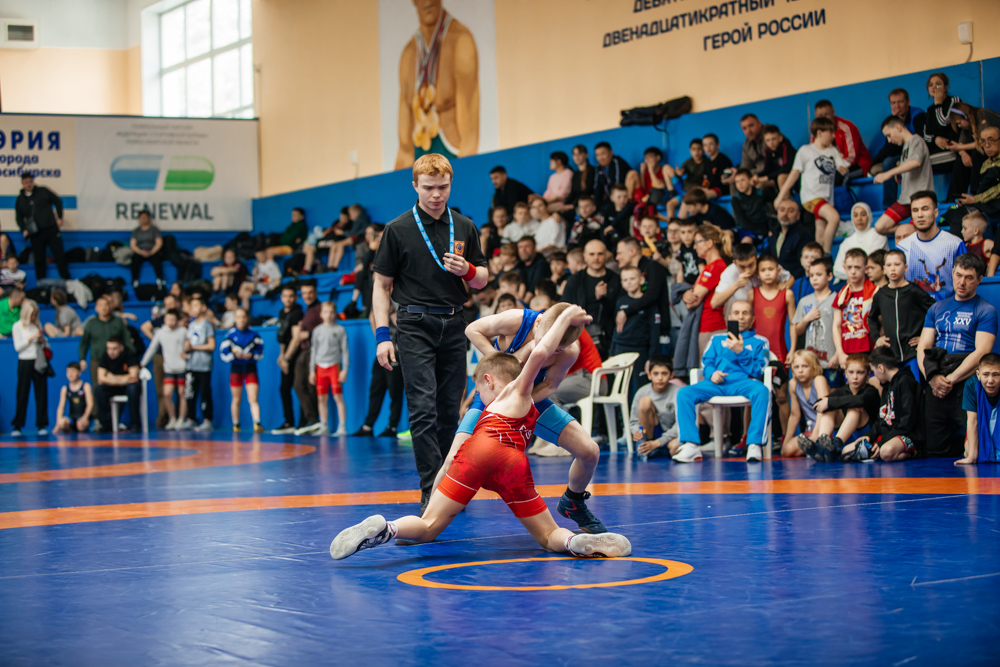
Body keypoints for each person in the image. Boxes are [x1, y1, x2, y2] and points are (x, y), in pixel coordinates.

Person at [329, 305, 631, 561]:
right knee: (549, 534)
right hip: (512, 463)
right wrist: (562, 320)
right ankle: (572, 542)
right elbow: (538, 354)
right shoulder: (523, 395)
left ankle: (390, 528)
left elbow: (539, 354)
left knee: (429, 526)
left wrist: (562, 322)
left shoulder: (505, 395)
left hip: (477, 453)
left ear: (489, 381)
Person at [372, 153, 488, 511]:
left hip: (454, 322)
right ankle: (431, 488)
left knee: (449, 410)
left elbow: (482, 280)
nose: (436, 195)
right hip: (413, 324)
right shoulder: (398, 229)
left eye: (442, 187)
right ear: (415, 186)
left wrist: (467, 269)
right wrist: (381, 335)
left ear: (451, 184)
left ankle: (448, 482)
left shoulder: (465, 226)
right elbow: (381, 285)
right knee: (422, 409)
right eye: (428, 188)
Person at [454, 303, 607, 531]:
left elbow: (550, 385)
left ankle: (573, 501)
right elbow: (472, 330)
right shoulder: (518, 320)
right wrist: (498, 362)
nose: (551, 351)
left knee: (590, 451)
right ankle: (430, 516)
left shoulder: (570, 351)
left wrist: (520, 402)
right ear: (538, 323)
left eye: (558, 349)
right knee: (452, 459)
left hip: (531, 399)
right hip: (490, 399)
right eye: (549, 343)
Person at [917, 253, 998, 458]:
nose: (962, 282)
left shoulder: (986, 310)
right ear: (952, 273)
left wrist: (950, 380)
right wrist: (933, 379)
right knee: (934, 449)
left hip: (964, 380)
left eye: (969, 277)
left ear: (980, 280)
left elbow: (982, 352)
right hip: (937, 376)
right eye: (959, 275)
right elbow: (923, 346)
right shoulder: (936, 308)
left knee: (974, 449)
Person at [674, 300, 771, 463]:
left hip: (743, 384)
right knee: (684, 393)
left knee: (762, 391)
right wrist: (712, 374)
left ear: (753, 318)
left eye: (745, 313)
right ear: (730, 317)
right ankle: (691, 445)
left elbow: (758, 370)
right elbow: (707, 362)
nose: (740, 317)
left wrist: (740, 351)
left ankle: (754, 445)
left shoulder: (760, 341)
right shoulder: (716, 339)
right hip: (716, 384)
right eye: (736, 313)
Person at [394, 0, 478, 169]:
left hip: (452, 157)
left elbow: (470, 139)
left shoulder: (460, 42)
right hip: (420, 165)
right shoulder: (408, 55)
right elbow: (404, 150)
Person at [775, 116, 850, 254]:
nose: (833, 136)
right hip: (811, 197)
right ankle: (826, 255)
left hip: (826, 198)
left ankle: (817, 258)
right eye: (831, 132)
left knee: (820, 233)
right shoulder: (806, 150)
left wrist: (843, 168)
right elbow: (794, 174)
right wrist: (780, 196)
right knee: (834, 218)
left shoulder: (832, 150)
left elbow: (842, 166)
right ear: (820, 133)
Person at [840, 347, 922, 462]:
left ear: (881, 368)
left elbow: (907, 422)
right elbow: (881, 419)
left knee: (886, 452)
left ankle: (914, 453)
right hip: (888, 437)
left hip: (907, 435)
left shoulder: (905, 382)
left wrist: (881, 442)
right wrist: (869, 436)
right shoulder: (886, 387)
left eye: (874, 371)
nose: (875, 376)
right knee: (846, 451)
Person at [868, 249, 936, 381]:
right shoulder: (881, 294)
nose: (892, 269)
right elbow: (871, 318)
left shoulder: (914, 291)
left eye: (897, 264)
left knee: (914, 387)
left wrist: (924, 337)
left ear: (905, 267)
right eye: (889, 265)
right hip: (891, 356)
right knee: (895, 390)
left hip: (912, 354)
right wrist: (876, 338)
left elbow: (935, 311)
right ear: (884, 269)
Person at [799, 353, 880, 462]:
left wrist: (831, 402)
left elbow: (860, 400)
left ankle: (835, 444)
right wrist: (829, 403)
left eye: (860, 373)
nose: (855, 377)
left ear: (868, 374)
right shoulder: (842, 391)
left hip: (864, 438)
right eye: (851, 372)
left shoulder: (871, 391)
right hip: (846, 440)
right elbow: (819, 404)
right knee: (829, 408)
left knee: (854, 409)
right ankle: (822, 445)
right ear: (845, 374)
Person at [895, 191, 966, 301]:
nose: (920, 215)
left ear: (936, 212)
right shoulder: (902, 247)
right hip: (913, 312)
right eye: (915, 210)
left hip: (946, 311)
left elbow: (965, 282)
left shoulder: (954, 244)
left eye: (925, 209)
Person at [872, 116, 935, 235]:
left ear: (898, 127)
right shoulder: (905, 147)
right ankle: (913, 230)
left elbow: (915, 162)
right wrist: (900, 170)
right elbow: (909, 163)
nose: (889, 140)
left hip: (920, 199)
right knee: (880, 226)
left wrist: (890, 173)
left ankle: (913, 230)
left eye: (889, 135)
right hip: (906, 199)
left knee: (909, 235)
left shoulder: (916, 140)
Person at [561, 239, 619, 357]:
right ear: (585, 256)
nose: (596, 258)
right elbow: (564, 308)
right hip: (579, 337)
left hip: (608, 339)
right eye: (592, 254)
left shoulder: (615, 279)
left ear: (605, 255)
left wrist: (602, 298)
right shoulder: (575, 280)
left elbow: (617, 311)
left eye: (600, 254)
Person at [871, 88, 927, 209]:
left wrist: (895, 169)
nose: (897, 106)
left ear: (908, 102)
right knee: (888, 161)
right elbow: (889, 150)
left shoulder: (918, 115)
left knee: (888, 164)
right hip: (903, 155)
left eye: (900, 102)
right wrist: (895, 120)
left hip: (919, 154)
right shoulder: (890, 122)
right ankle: (889, 206)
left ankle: (892, 205)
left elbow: (921, 140)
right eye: (893, 103)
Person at [611, 266, 660, 398]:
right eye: (625, 279)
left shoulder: (649, 303)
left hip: (640, 352)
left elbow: (655, 333)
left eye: (632, 278)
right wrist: (612, 353)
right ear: (621, 283)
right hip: (620, 350)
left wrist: (651, 358)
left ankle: (639, 419)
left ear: (641, 280)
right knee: (621, 390)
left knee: (641, 389)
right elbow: (616, 330)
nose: (629, 282)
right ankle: (623, 419)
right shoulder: (621, 302)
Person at [614, 236, 671, 344]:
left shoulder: (653, 267)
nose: (617, 257)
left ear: (632, 251)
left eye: (620, 253)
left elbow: (652, 295)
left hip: (657, 332)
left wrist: (626, 311)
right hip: (636, 332)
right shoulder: (627, 273)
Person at [685, 224, 731, 355]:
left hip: (712, 328)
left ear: (709, 243)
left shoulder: (715, 267)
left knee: (706, 372)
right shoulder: (710, 266)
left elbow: (692, 302)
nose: (694, 247)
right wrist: (685, 295)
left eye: (697, 242)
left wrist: (687, 297)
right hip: (708, 327)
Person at [14, 173, 70, 280]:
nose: (29, 184)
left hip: (51, 229)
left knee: (60, 256)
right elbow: (19, 217)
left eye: (30, 182)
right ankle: (40, 284)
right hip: (35, 233)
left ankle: (67, 280)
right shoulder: (20, 199)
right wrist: (23, 229)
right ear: (22, 183)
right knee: (39, 260)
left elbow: (58, 201)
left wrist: (60, 217)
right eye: (26, 182)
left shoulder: (43, 191)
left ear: (33, 181)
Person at [947, 124, 1000, 238]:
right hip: (987, 205)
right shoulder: (985, 164)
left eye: (991, 140)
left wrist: (975, 199)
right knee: (958, 218)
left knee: (981, 223)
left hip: (996, 207)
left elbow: (997, 189)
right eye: (983, 141)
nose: (987, 145)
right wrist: (969, 200)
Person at [139, 308, 188, 430]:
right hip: (169, 368)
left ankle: (181, 419)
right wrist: (143, 363)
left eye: (173, 319)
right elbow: (152, 348)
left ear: (177, 320)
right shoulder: (160, 333)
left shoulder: (183, 331)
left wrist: (188, 355)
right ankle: (172, 418)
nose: (171, 322)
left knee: (182, 393)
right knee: (167, 393)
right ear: (164, 320)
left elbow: (190, 346)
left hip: (182, 367)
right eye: (168, 319)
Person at [218, 307, 264, 434]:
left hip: (250, 369)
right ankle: (236, 424)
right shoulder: (230, 335)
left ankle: (257, 423)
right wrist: (233, 355)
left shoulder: (254, 335)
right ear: (235, 319)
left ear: (247, 318)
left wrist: (252, 356)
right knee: (236, 399)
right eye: (238, 317)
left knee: (253, 398)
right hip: (236, 370)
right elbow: (223, 353)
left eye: (243, 317)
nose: (241, 320)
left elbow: (260, 351)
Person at [308, 302, 350, 436]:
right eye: (325, 312)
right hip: (320, 367)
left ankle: (342, 426)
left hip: (334, 366)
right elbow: (314, 351)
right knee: (321, 398)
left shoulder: (340, 330)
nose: (329, 315)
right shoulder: (317, 330)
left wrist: (345, 369)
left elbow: (345, 351)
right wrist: (312, 370)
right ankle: (324, 425)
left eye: (331, 312)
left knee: (338, 396)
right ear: (321, 314)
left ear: (335, 313)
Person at [832, 248, 877, 370]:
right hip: (847, 351)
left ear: (866, 268)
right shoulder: (841, 294)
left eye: (857, 267)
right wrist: (840, 353)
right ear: (844, 267)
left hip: (870, 349)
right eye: (849, 267)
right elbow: (837, 326)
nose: (853, 272)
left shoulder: (874, 291)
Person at [288, 281, 323, 435]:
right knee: (300, 385)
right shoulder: (308, 310)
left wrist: (307, 334)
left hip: (312, 351)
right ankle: (311, 419)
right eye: (304, 293)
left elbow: (324, 329)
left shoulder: (320, 309)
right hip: (304, 351)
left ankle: (313, 419)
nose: (307, 296)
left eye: (310, 292)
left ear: (315, 292)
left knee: (307, 385)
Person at [792, 258, 837, 376]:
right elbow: (798, 330)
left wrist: (838, 355)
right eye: (811, 275)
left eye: (819, 274)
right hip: (810, 362)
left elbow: (840, 330)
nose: (814, 278)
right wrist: (807, 318)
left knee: (831, 391)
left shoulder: (836, 299)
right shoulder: (804, 301)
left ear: (829, 276)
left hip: (831, 359)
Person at [629, 355, 680, 459]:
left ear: (671, 375)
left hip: (670, 437)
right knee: (645, 401)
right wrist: (636, 432)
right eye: (656, 374)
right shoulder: (642, 392)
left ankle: (657, 447)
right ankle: (645, 445)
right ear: (649, 375)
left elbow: (681, 425)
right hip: (651, 434)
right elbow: (633, 422)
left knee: (675, 448)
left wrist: (658, 442)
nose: (660, 378)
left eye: (664, 373)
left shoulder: (678, 392)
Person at [11, 299, 49, 436]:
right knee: (22, 393)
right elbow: (18, 347)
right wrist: (32, 338)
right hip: (25, 361)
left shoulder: (37, 324)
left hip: (38, 361)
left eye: (35, 314)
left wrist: (41, 340)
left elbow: (45, 344)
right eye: (32, 314)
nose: (34, 317)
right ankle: (17, 426)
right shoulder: (17, 326)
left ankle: (41, 424)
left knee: (41, 393)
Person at [781, 349, 828, 457]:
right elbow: (794, 414)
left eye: (805, 366)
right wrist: (786, 442)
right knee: (787, 451)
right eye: (797, 367)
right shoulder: (793, 384)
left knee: (827, 410)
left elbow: (824, 410)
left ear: (813, 367)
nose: (800, 370)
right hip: (811, 430)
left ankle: (820, 446)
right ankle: (815, 450)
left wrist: (816, 435)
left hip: (826, 427)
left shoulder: (818, 380)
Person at [751, 254, 795, 365]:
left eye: (771, 269)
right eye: (763, 270)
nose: (767, 273)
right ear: (758, 274)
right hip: (756, 349)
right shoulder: (752, 294)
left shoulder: (787, 294)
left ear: (779, 271)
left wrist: (792, 350)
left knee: (780, 381)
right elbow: (748, 323)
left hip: (779, 350)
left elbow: (793, 323)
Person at [957, 353, 1000, 465]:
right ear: (978, 374)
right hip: (981, 430)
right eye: (986, 374)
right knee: (969, 451)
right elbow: (972, 421)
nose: (990, 380)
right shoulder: (971, 385)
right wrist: (972, 456)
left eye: (996, 375)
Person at [272, 285, 303, 434]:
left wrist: (287, 358)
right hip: (286, 356)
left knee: (299, 387)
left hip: (296, 356)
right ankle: (288, 422)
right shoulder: (282, 313)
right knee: (284, 388)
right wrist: (281, 355)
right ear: (281, 298)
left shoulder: (297, 313)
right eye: (285, 296)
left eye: (291, 296)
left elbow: (295, 338)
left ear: (295, 298)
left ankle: (302, 422)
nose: (288, 299)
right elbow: (283, 337)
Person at [813, 100, 872, 179]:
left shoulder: (847, 127)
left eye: (826, 114)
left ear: (833, 112)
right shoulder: (816, 133)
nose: (823, 119)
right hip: (833, 167)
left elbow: (852, 157)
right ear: (815, 115)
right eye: (820, 116)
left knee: (837, 177)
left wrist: (836, 168)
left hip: (858, 164)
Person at [182, 296, 215, 433]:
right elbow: (189, 343)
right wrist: (186, 349)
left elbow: (211, 345)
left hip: (203, 365)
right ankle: (191, 418)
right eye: (191, 306)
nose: (192, 308)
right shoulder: (191, 324)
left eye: (195, 305)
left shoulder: (207, 325)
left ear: (203, 308)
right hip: (191, 365)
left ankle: (207, 420)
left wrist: (195, 348)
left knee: (205, 392)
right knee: (190, 392)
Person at [834, 203, 888, 282]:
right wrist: (855, 275)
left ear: (869, 216)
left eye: (863, 214)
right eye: (855, 215)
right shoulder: (847, 242)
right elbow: (836, 269)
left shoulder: (879, 236)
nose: (859, 218)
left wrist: (851, 272)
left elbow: (870, 263)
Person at [78, 295, 132, 373]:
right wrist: (82, 359)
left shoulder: (118, 321)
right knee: (98, 385)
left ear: (110, 306)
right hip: (97, 360)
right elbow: (84, 343)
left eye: (106, 304)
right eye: (100, 305)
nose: (103, 308)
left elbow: (127, 339)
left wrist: (131, 357)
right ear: (96, 308)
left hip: (117, 361)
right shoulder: (91, 323)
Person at [762, 200, 809, 279]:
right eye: (782, 210)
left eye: (791, 211)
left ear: (798, 216)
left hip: (793, 281)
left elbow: (802, 266)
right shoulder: (775, 232)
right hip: (774, 279)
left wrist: (790, 281)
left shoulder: (803, 236)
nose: (785, 214)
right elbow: (766, 255)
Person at [52, 361, 93, 434]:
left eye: (73, 372)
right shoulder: (65, 388)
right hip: (72, 417)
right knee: (62, 423)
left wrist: (85, 417)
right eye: (68, 372)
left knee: (81, 426)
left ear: (79, 373)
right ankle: (71, 431)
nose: (70, 374)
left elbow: (90, 405)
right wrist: (57, 424)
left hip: (82, 417)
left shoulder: (86, 386)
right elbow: (61, 407)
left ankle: (80, 429)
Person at [731, 169, 770, 244]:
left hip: (764, 227)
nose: (740, 184)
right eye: (737, 182)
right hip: (747, 230)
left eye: (742, 180)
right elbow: (742, 221)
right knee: (746, 241)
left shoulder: (761, 192)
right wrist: (760, 230)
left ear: (750, 180)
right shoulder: (736, 198)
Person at [129, 210, 166, 289]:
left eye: (145, 217)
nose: (144, 219)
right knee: (135, 259)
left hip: (152, 251)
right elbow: (133, 245)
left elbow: (159, 243)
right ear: (139, 219)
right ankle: (134, 280)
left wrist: (152, 252)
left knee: (156, 259)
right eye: (142, 217)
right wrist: (141, 252)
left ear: (149, 218)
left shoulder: (154, 229)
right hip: (140, 252)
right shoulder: (136, 231)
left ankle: (160, 279)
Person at [759, 124, 796, 191]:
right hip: (776, 177)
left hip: (794, 176)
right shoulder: (768, 150)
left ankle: (785, 200)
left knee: (781, 177)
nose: (771, 143)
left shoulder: (785, 146)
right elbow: (767, 169)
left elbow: (786, 168)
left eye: (774, 139)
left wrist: (767, 177)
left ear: (780, 138)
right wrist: (757, 176)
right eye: (768, 140)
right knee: (758, 183)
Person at [700, 133, 734, 197]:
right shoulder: (706, 162)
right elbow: (705, 179)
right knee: (692, 195)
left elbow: (724, 181)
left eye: (711, 144)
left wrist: (708, 190)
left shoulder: (724, 160)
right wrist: (704, 188)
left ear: (717, 145)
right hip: (709, 189)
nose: (708, 147)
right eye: (705, 145)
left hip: (721, 189)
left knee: (701, 197)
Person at [568, 144, 596, 209]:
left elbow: (587, 192)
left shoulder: (593, 171)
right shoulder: (575, 174)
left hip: (586, 205)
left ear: (586, 155)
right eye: (574, 154)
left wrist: (572, 205)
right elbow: (572, 193)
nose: (577, 157)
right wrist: (564, 205)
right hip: (575, 204)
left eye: (579, 154)